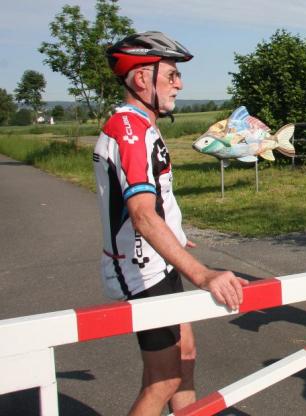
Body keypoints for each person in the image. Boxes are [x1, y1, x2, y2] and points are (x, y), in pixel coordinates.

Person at [93, 31, 248, 415]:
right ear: (142, 79)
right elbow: (143, 214)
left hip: (159, 260)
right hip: (142, 269)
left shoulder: (142, 126)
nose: (179, 83)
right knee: (162, 380)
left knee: (186, 357)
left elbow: (155, 203)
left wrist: (175, 237)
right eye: (171, 74)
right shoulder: (130, 132)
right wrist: (204, 275)